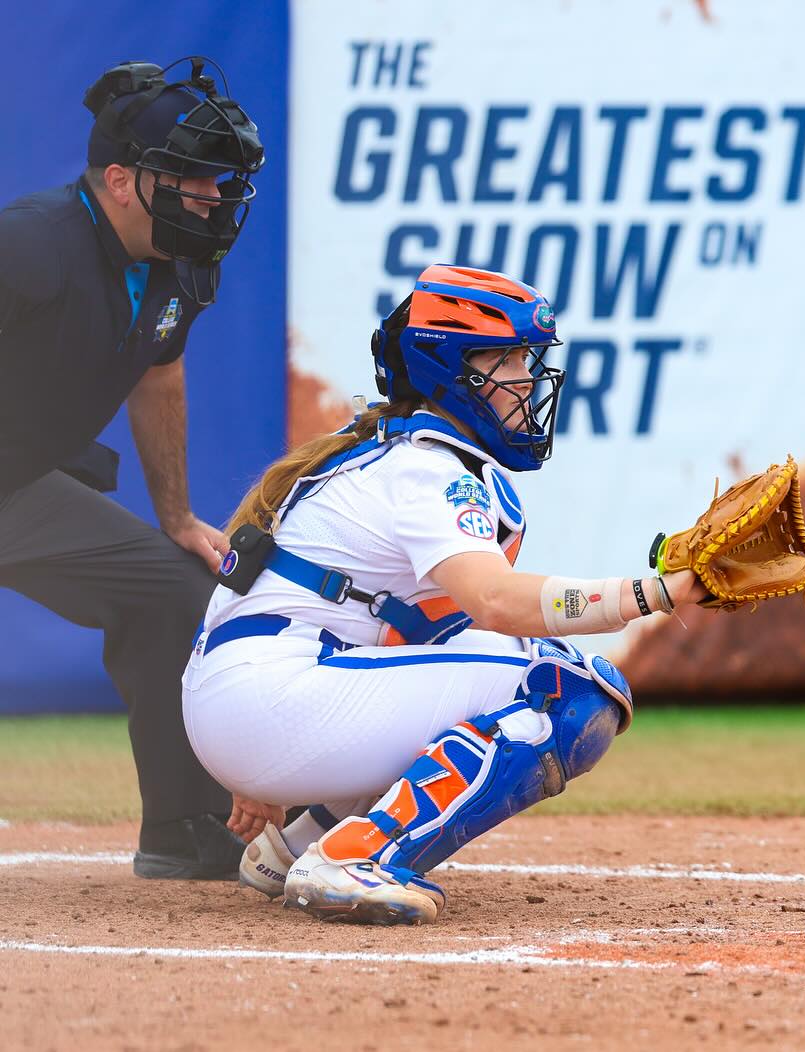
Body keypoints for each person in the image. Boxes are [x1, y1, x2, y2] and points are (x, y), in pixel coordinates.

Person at [181, 265, 710, 925]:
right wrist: (655, 592)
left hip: (252, 694)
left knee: (492, 660)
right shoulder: (426, 469)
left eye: (525, 359)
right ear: (449, 372)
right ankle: (354, 857)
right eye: (506, 360)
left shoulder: (389, 454)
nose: (526, 379)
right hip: (271, 696)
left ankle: (298, 845)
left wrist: (259, 760)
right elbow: (497, 601)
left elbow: (446, 630)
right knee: (568, 686)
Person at [0, 58, 264, 877]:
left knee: (176, 592)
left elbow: (159, 374)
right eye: (191, 178)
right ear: (120, 181)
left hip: (19, 487)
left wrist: (176, 517)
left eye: (217, 179)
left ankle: (182, 829)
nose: (212, 196)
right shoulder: (29, 243)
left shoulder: (179, 261)